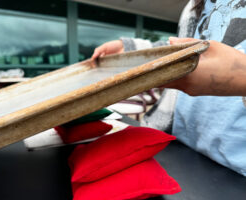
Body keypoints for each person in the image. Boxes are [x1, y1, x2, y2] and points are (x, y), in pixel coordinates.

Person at [92, 0, 246, 176]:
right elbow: (180, 50)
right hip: (183, 149)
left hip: (238, 168)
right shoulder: (194, 5)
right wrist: (129, 50)